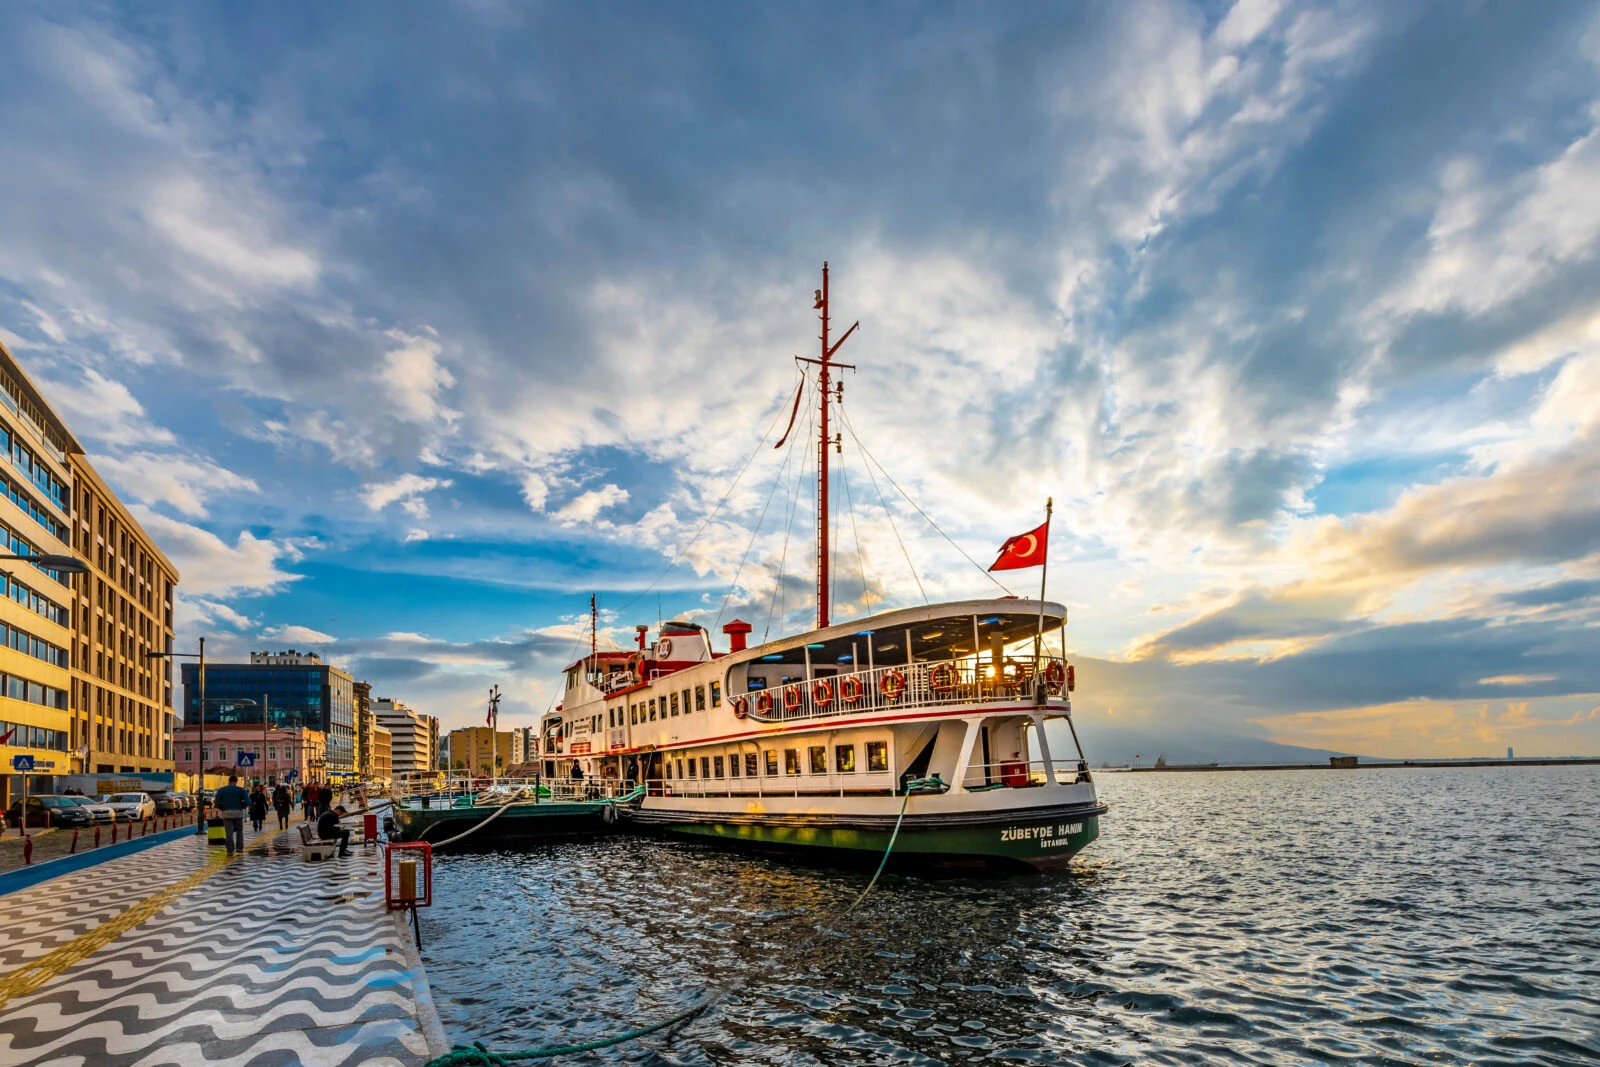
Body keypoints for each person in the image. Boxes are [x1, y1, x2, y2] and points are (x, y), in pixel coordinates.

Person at [213, 775, 250, 856]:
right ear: (236, 781)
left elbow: (217, 803)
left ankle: (230, 850)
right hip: (238, 813)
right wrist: (242, 806)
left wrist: (222, 807)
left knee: (229, 832)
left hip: (227, 813)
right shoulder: (241, 790)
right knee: (239, 831)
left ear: (228, 781)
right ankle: (239, 848)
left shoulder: (221, 790)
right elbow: (248, 801)